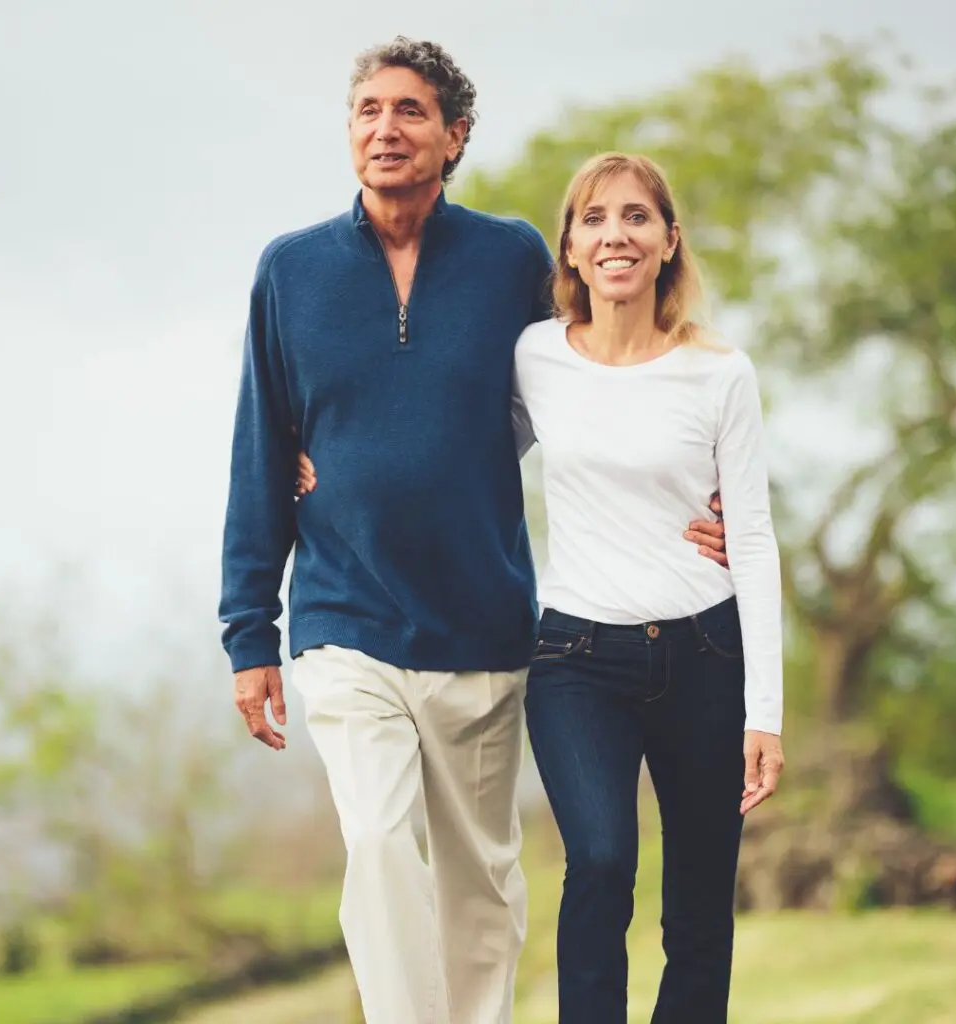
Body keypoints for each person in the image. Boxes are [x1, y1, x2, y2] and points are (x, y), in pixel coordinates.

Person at [220, 38, 727, 1024]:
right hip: (343, 618)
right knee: (376, 838)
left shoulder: (509, 260)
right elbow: (258, 450)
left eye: (409, 111)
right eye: (367, 110)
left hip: (485, 629)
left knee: (482, 883)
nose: (384, 129)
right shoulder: (290, 271)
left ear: (453, 137)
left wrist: (692, 496)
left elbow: (592, 378)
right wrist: (250, 632)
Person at [512, 152, 785, 1023]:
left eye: (635, 217)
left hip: (706, 650)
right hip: (576, 658)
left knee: (700, 906)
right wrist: (315, 456)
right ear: (570, 248)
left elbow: (752, 538)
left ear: (669, 241)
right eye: (593, 219)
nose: (614, 235)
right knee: (598, 861)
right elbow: (454, 449)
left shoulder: (719, 374)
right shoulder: (535, 359)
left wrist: (765, 712)